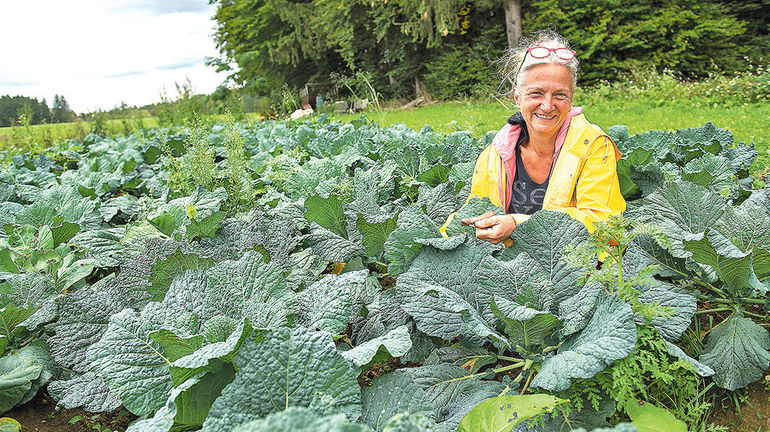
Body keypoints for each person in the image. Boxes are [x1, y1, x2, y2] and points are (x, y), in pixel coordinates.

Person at [441, 30, 625, 244]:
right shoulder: (496, 154)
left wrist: (519, 223)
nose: (547, 106)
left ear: (571, 99)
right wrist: (443, 238)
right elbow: (476, 210)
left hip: (577, 268)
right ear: (517, 97)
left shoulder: (594, 146)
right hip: (510, 268)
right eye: (536, 93)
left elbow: (606, 225)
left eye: (560, 95)